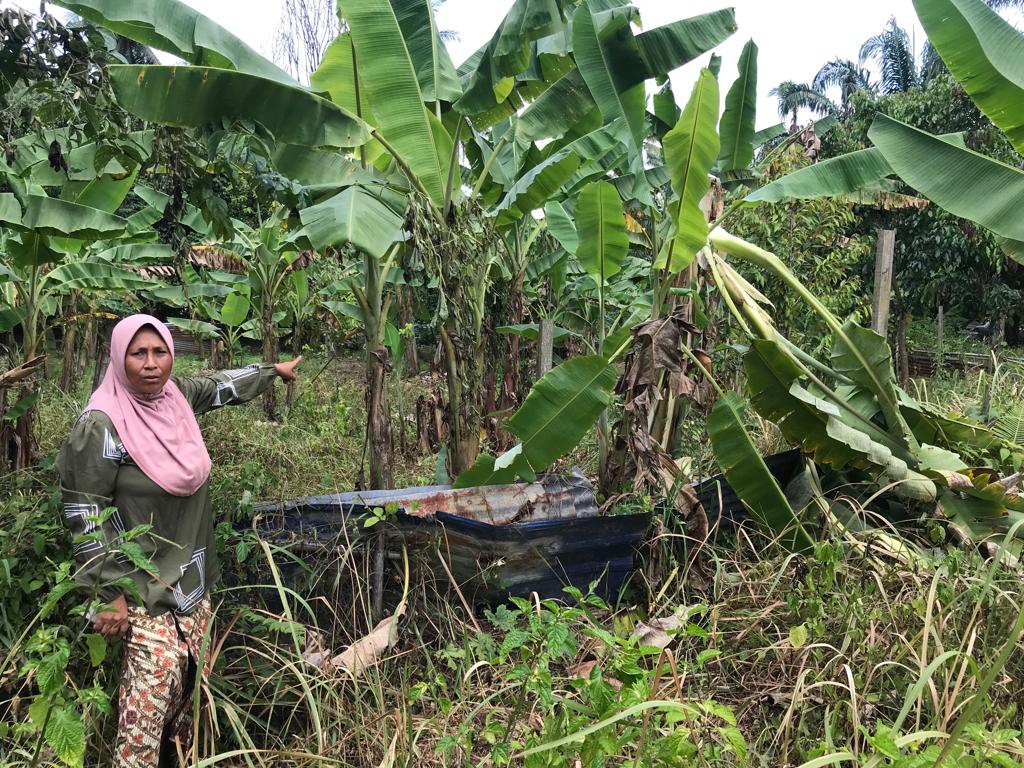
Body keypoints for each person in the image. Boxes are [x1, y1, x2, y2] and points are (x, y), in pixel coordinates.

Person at [57, 314, 301, 767]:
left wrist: (272, 372)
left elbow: (220, 386)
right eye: (138, 353)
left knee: (186, 705)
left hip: (192, 585)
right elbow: (85, 514)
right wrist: (110, 593)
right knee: (143, 720)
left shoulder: (176, 400)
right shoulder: (101, 426)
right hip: (141, 589)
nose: (151, 364)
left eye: (159, 352)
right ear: (118, 357)